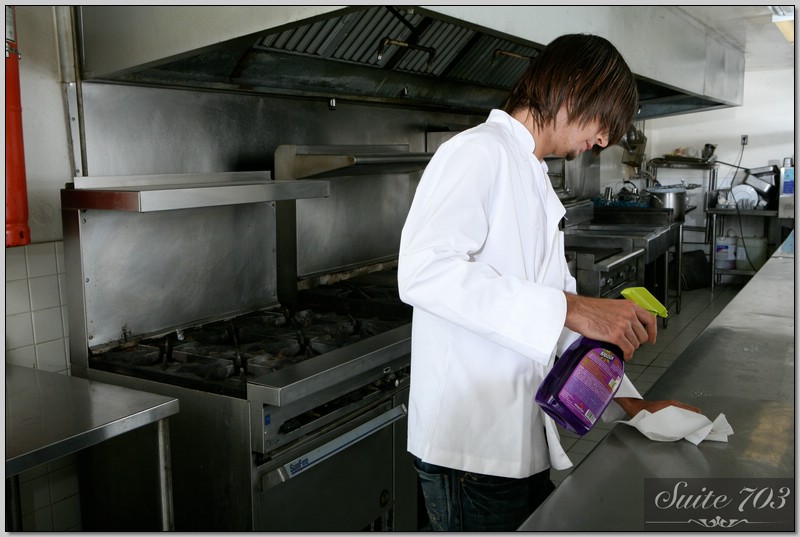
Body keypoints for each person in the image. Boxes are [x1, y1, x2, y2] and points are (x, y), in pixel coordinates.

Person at [396, 33, 700, 532]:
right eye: (603, 122)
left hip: (518, 443)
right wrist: (574, 308)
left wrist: (634, 406)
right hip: (472, 453)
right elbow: (423, 273)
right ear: (574, 87)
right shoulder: (477, 152)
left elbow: (557, 323)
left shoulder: (533, 172)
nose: (601, 141)